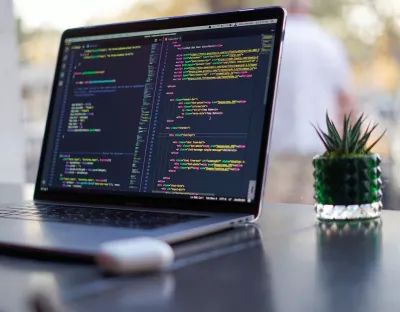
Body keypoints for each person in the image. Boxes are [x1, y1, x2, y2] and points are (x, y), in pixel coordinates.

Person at [265, 0, 355, 204]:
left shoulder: (271, 39)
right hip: (320, 151)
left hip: (276, 151)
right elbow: (346, 102)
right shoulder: (329, 43)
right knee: (312, 223)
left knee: (273, 225)